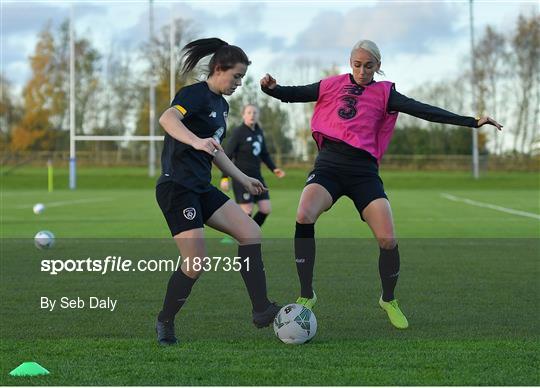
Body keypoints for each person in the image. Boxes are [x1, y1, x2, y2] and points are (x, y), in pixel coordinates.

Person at [261, 39, 502, 330]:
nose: (363, 71)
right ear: (351, 64)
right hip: (329, 165)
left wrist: (472, 122)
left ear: (378, 66)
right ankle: (306, 293)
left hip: (363, 171)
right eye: (357, 65)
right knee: (303, 214)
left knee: (387, 239)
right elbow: (293, 94)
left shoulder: (386, 93)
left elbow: (424, 110)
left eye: (369, 65)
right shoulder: (331, 84)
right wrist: (270, 89)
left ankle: (388, 299)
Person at [155, 38, 280, 345]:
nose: (239, 83)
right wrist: (194, 141)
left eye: (242, 78)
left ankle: (261, 309)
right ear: (219, 69)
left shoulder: (222, 106)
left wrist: (243, 177)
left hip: (201, 187)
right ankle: (165, 321)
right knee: (195, 263)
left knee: (251, 232)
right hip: (177, 188)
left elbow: (216, 150)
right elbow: (167, 118)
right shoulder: (194, 94)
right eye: (236, 76)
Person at [220, 104, 285, 227]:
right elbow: (227, 155)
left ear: (258, 115)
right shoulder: (239, 132)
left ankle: (249, 232)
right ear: (243, 115)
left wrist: (274, 169)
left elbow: (264, 154)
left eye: (255, 113)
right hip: (241, 178)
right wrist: (224, 177)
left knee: (265, 209)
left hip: (257, 177)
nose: (252, 115)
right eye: (249, 112)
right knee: (247, 211)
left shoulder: (259, 132)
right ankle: (245, 237)